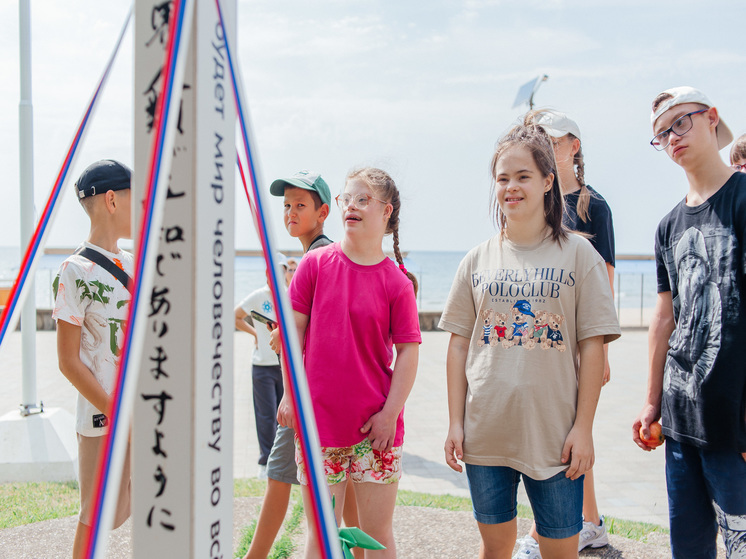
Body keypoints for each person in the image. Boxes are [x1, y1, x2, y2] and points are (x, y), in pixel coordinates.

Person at [442, 116, 620, 559]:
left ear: (547, 182)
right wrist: (455, 422)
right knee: (496, 548)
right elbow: (459, 345)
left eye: (523, 176)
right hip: (485, 435)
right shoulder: (476, 259)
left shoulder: (580, 254)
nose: (511, 187)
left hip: (556, 436)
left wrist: (584, 429)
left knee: (560, 550)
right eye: (502, 178)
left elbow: (592, 346)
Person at [276, 167, 421, 559]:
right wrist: (290, 396)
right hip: (317, 425)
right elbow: (292, 339)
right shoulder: (314, 265)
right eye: (347, 199)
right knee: (322, 536)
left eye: (363, 199)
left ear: (386, 211)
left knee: (375, 536)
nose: (351, 207)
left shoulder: (397, 283)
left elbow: (409, 352)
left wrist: (390, 414)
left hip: (377, 431)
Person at [633, 86, 746, 559]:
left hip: (735, 420)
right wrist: (651, 401)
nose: (672, 136)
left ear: (711, 118)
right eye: (662, 133)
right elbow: (665, 318)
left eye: (681, 122)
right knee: (689, 548)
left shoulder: (742, 199)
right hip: (680, 422)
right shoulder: (667, 226)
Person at [511, 111, 617, 558]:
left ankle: (556, 529)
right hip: (541, 339)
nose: (545, 146)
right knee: (563, 434)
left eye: (552, 140)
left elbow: (606, 279)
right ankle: (587, 522)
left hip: (579, 341)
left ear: (574, 144)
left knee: (571, 434)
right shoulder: (541, 202)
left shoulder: (594, 206)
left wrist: (600, 350)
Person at [243, 170, 350, 558]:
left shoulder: (319, 258)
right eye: (286, 206)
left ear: (323, 212)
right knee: (343, 490)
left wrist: (285, 338)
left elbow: (322, 329)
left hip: (306, 393)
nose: (290, 212)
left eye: (300, 205)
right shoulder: (319, 256)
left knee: (279, 474)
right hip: (320, 392)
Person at [52, 159, 134, 559]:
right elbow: (68, 361)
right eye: (138, 198)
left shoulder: (137, 263)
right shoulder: (74, 270)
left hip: (146, 413)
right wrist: (116, 410)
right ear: (113, 200)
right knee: (95, 516)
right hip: (104, 418)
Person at [234, 253, 291, 480]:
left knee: (284, 417)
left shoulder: (291, 296)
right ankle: (264, 461)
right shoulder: (259, 296)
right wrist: (254, 334)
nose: (276, 275)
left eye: (281, 271)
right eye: (271, 271)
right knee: (265, 416)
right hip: (262, 366)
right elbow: (236, 317)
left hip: (285, 367)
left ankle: (282, 461)